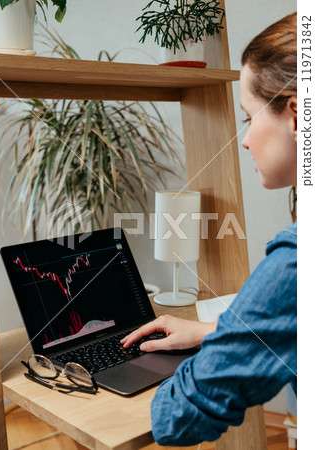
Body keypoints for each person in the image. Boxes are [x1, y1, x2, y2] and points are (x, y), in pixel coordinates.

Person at [121, 12, 297, 446]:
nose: (243, 140)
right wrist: (220, 334)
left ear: (296, 114)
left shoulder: (299, 261)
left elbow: (177, 420)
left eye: (248, 118)